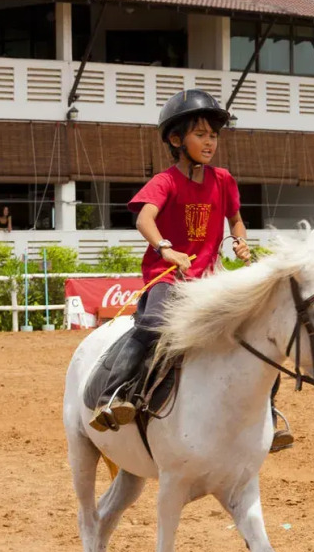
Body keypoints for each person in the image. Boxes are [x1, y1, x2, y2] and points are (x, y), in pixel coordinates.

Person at [88, 89, 292, 450]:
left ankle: (270, 414)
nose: (210, 142)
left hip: (212, 279)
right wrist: (166, 248)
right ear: (176, 139)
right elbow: (144, 220)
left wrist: (239, 240)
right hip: (168, 277)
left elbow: (236, 219)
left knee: (259, 330)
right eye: (200, 134)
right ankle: (114, 393)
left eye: (213, 135)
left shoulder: (224, 180)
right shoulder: (164, 181)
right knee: (152, 325)